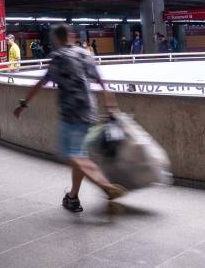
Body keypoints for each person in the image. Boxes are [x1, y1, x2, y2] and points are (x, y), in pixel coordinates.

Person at [13, 24, 126, 213]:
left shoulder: (58, 57)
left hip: (71, 113)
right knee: (78, 153)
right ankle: (73, 197)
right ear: (72, 36)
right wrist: (112, 108)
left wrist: (23, 105)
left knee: (73, 155)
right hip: (89, 110)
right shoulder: (85, 54)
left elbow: (41, 82)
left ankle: (107, 187)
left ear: (57, 38)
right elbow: (102, 82)